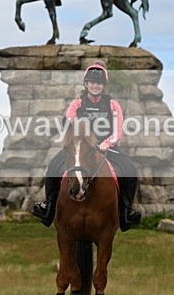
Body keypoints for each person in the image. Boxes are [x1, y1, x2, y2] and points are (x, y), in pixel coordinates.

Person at [32, 61, 141, 230]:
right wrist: (82, 141)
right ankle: (49, 206)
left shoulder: (113, 105)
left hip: (106, 148)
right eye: (92, 82)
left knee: (130, 170)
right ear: (86, 84)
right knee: (53, 167)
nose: (95, 86)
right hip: (80, 148)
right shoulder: (77, 104)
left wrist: (105, 144)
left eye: (99, 83)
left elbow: (118, 130)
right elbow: (68, 124)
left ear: (103, 85)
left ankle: (126, 211)